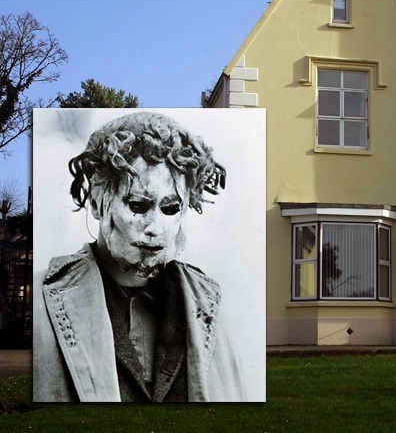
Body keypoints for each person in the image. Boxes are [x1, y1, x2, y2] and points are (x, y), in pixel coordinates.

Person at [33, 112, 245, 402]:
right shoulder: (42, 300)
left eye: (170, 208)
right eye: (138, 205)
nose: (155, 227)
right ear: (96, 203)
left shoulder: (212, 302)